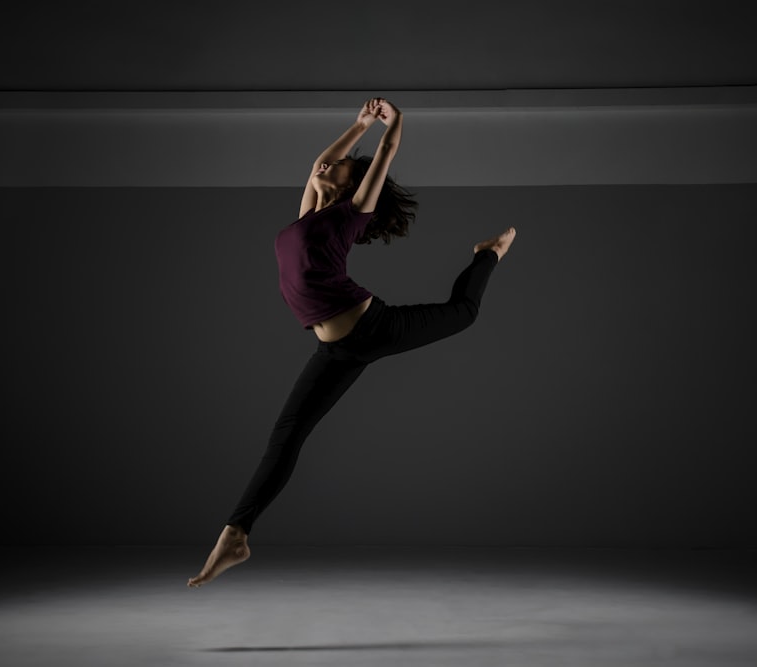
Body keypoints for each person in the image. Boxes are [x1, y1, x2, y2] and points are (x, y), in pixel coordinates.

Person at [188, 98, 515, 587]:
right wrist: (358, 124)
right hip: (336, 349)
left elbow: (383, 154)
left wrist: (393, 125)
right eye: (333, 164)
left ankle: (487, 254)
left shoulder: (351, 214)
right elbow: (318, 163)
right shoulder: (304, 217)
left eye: (340, 168)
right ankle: (236, 534)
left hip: (371, 328)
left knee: (463, 313)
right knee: (287, 436)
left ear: (351, 187)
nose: (328, 165)